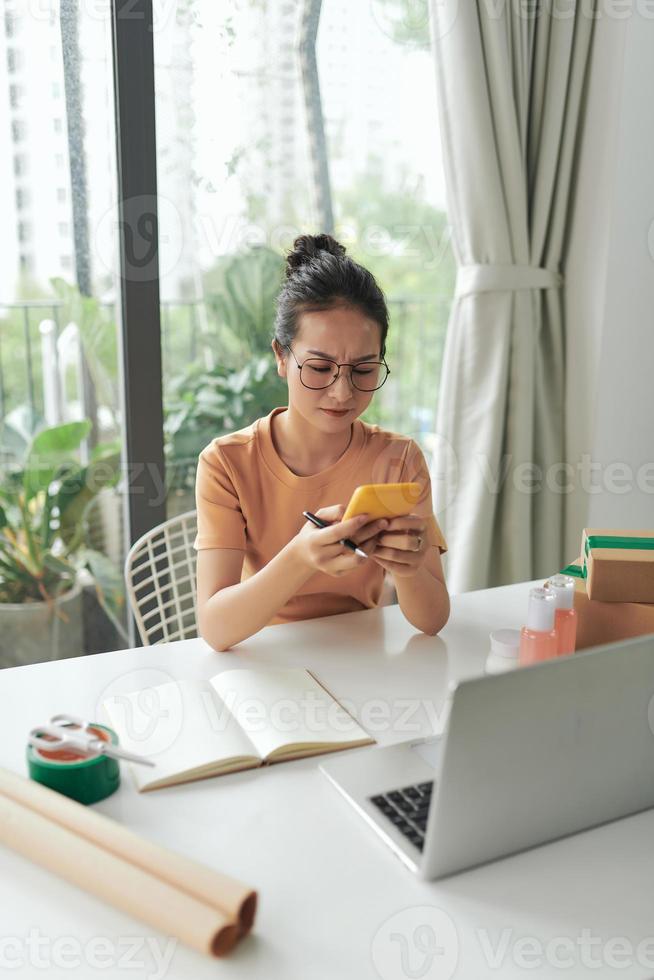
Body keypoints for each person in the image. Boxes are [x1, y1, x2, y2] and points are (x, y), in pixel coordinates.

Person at [194, 234, 450, 651]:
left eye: (364, 370)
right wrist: (299, 557)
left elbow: (432, 621)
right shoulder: (226, 463)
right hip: (260, 660)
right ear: (281, 356)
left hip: (363, 661)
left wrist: (408, 567)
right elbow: (216, 629)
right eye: (319, 367)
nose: (342, 392)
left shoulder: (399, 459)